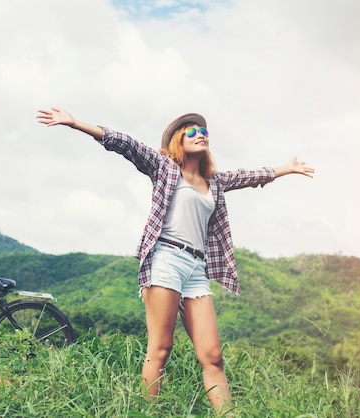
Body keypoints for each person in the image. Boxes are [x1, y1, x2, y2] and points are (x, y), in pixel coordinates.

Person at [36, 106, 314, 414]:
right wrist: (75, 124)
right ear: (178, 140)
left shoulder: (215, 182)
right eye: (192, 131)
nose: (200, 135)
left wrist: (284, 169)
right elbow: (125, 143)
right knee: (160, 348)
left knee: (212, 356)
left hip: (197, 269)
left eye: (204, 132)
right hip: (166, 259)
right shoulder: (163, 167)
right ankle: (145, 411)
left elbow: (248, 176)